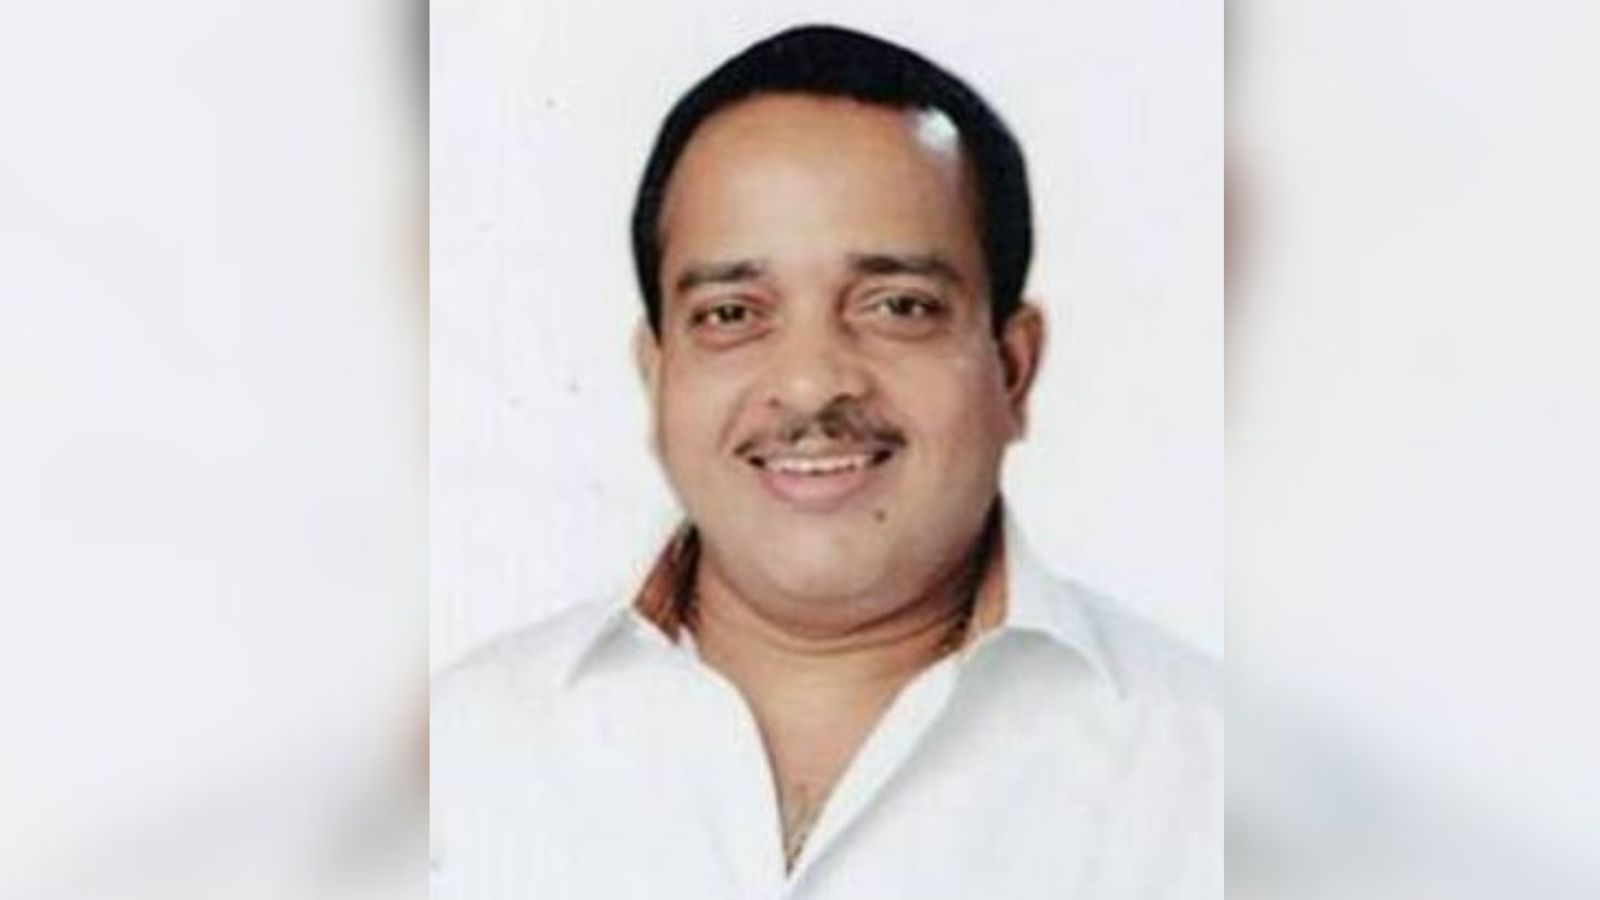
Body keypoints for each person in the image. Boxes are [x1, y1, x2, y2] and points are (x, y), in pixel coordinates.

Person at [431, 24, 1219, 899]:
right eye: (732, 314)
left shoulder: (1217, 782)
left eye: (898, 306)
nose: (810, 384)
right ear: (657, 376)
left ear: (1012, 367)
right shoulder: (455, 761)